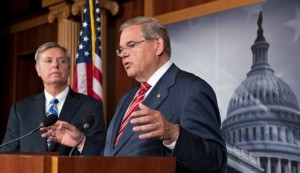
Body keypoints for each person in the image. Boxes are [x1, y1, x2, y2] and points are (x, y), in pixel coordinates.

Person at [42, 17, 227, 172]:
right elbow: (116, 157)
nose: (123, 54)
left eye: (131, 45)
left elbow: (215, 159)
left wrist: (173, 134)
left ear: (158, 45)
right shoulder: (129, 97)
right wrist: (82, 142)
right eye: (121, 50)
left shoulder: (192, 89)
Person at [0, 42, 106, 155]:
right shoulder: (20, 109)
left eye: (62, 61)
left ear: (69, 68)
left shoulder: (91, 106)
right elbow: (7, 153)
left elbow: (101, 152)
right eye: (48, 61)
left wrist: (80, 141)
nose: (55, 65)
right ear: (38, 69)